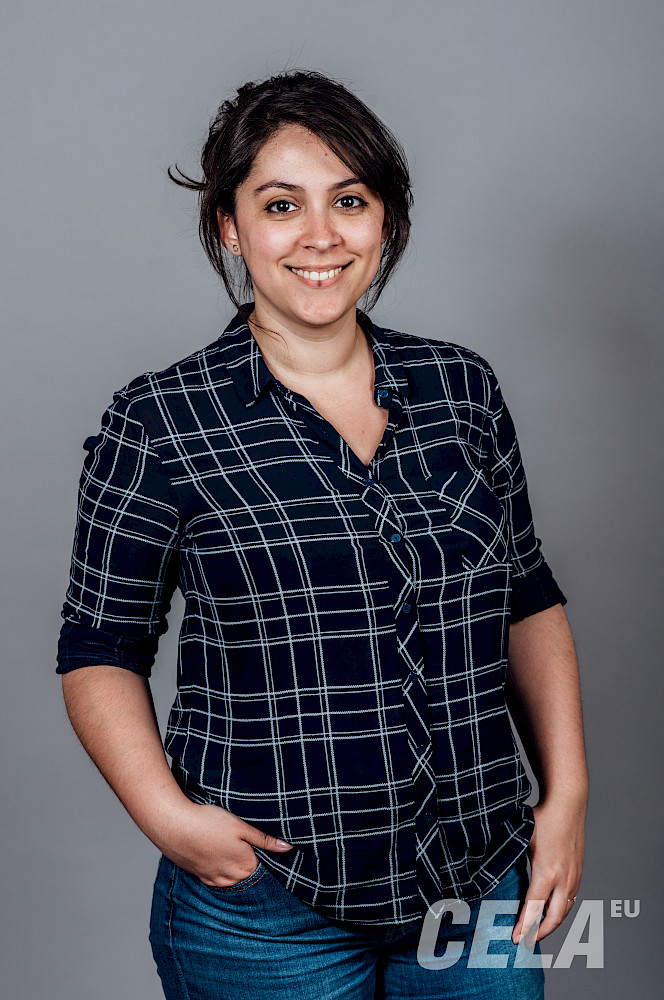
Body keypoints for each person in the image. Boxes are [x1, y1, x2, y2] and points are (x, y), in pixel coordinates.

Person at [57, 69, 588, 999]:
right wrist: (168, 819)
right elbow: (100, 648)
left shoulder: (462, 390)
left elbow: (527, 596)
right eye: (280, 204)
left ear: (385, 219)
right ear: (230, 227)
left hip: (477, 885)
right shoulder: (159, 422)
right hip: (267, 910)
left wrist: (569, 793)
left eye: (349, 200)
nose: (320, 235)